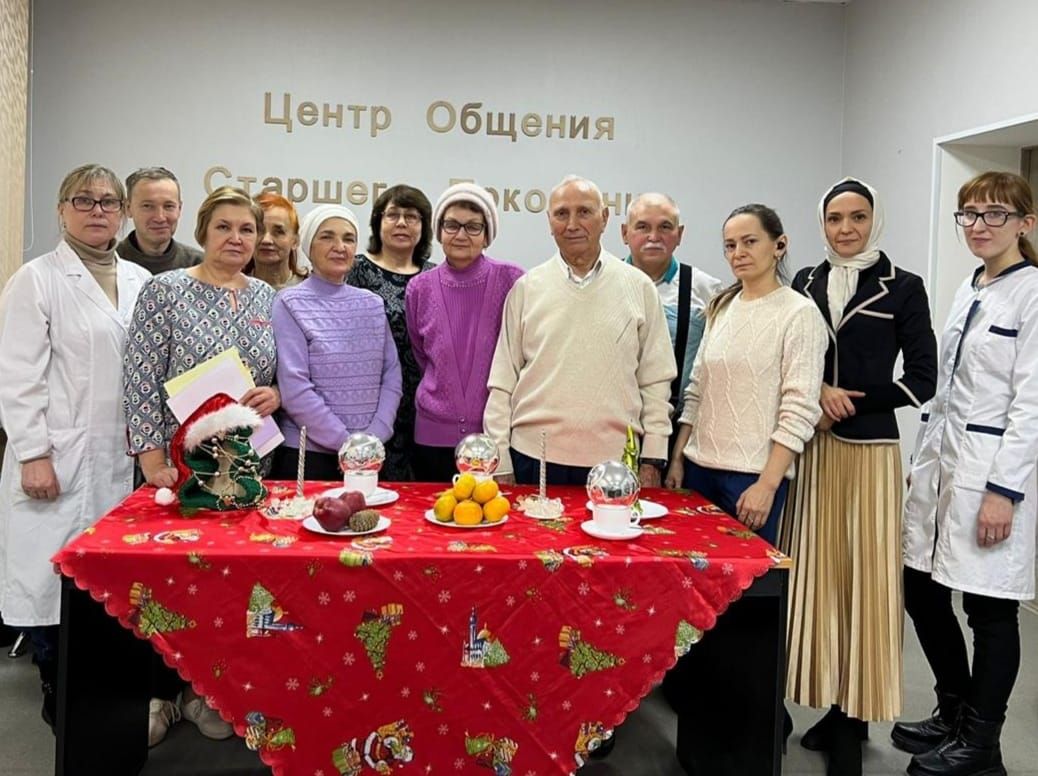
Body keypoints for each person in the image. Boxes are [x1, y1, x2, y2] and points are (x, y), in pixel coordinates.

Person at [781, 179, 937, 776]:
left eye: (858, 217)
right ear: (821, 224)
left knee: (867, 585)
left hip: (870, 451)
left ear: (876, 219)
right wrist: (816, 393)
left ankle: (854, 720)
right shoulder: (805, 283)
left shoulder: (907, 288)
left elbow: (923, 379)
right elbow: (791, 357)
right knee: (820, 582)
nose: (846, 229)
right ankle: (829, 705)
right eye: (835, 219)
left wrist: (852, 401)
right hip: (813, 450)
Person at [123, 186, 280, 745]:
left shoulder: (266, 296)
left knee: (229, 587)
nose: (236, 239)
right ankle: (158, 694)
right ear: (203, 231)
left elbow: (275, 374)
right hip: (178, 470)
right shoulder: (165, 291)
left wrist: (274, 395)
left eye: (246, 229)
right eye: (224, 228)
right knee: (171, 585)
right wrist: (149, 456)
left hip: (246, 469)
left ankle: (203, 694)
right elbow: (140, 377)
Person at [0, 164, 151, 730]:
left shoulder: (139, 280)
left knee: (107, 582)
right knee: (49, 580)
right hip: (56, 456)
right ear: (61, 209)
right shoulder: (36, 279)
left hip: (123, 457)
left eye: (108, 202)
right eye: (83, 200)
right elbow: (16, 376)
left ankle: (96, 689)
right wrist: (34, 453)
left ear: (122, 212)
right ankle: (53, 684)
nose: (97, 210)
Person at [897, 171, 1038, 776]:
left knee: (989, 612)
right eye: (970, 214)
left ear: (1025, 224)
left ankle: (981, 744)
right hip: (942, 471)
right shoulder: (970, 286)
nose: (979, 225)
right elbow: (948, 391)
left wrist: (1004, 493)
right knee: (921, 590)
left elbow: (1032, 405)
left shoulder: (1031, 292)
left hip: (992, 477)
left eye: (995, 214)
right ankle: (954, 710)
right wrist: (922, 463)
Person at [485, 175, 676, 488]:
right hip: (534, 458)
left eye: (584, 212)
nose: (572, 224)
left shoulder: (638, 287)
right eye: (561, 214)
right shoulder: (526, 289)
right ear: (549, 222)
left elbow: (655, 381)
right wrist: (500, 461)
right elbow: (502, 382)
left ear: (604, 219)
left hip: (615, 463)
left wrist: (653, 458)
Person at [665, 204, 826, 546]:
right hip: (698, 470)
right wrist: (678, 457)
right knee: (694, 585)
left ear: (779, 245)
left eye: (750, 241)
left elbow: (799, 410)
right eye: (730, 245)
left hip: (751, 478)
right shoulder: (721, 307)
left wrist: (768, 485)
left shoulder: (800, 313)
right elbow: (697, 391)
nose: (738, 253)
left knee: (748, 593)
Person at [271, 205, 402, 481]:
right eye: (327, 237)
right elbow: (294, 387)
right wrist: (347, 443)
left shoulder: (372, 303)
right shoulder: (289, 302)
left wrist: (374, 436)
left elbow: (391, 375)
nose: (339, 246)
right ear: (308, 245)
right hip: (309, 455)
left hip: (370, 452)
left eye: (348, 238)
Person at [405, 183, 524, 482]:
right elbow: (422, 354)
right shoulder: (419, 288)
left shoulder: (512, 280)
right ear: (439, 230)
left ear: (487, 235)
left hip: (493, 435)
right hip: (432, 436)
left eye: (473, 227)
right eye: (452, 225)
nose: (460, 235)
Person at [622, 193, 723, 455]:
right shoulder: (603, 283)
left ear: (679, 234)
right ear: (625, 233)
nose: (653, 236)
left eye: (665, 227)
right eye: (642, 227)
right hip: (614, 428)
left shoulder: (707, 289)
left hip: (678, 432)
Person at [347, 185, 434, 481]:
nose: (401, 223)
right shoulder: (354, 270)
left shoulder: (435, 276)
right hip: (369, 399)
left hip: (423, 403)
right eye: (393, 215)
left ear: (424, 227)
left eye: (411, 216)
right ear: (377, 222)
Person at [117, 166, 202, 274]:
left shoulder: (199, 266)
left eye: (168, 206)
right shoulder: (110, 263)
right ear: (128, 208)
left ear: (179, 209)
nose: (160, 217)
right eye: (148, 206)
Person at [246, 192, 308, 291]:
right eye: (259, 230)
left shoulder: (311, 292)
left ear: (295, 241)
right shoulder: (233, 290)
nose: (266, 240)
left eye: (278, 232)